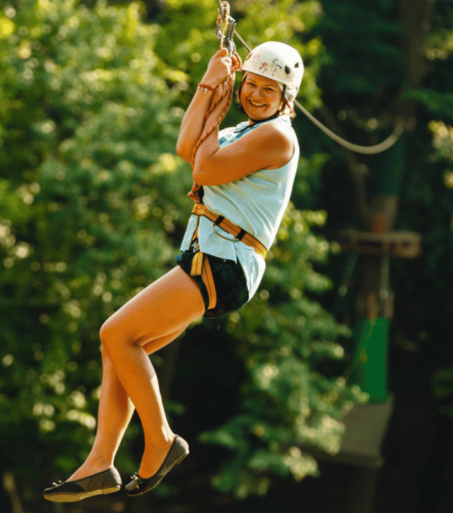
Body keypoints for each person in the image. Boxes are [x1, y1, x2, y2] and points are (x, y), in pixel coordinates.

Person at [43, 41, 304, 503]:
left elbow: (203, 168)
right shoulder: (245, 128)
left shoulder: (276, 136)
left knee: (116, 334)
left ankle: (160, 440)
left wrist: (215, 106)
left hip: (224, 262)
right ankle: (101, 462)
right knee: (122, 352)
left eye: (270, 89)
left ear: (287, 98)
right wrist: (209, 84)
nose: (257, 95)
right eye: (251, 85)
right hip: (212, 258)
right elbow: (187, 146)